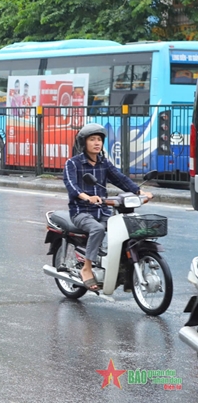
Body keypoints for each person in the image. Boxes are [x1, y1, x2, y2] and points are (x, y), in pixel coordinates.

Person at [63, 123, 153, 291]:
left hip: (102, 210)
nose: (97, 143)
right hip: (81, 212)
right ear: (83, 143)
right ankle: (87, 268)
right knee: (97, 229)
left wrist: (140, 191)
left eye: (99, 139)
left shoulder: (103, 163)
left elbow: (120, 179)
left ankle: (124, 268)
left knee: (128, 228)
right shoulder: (73, 164)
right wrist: (86, 197)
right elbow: (71, 185)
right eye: (92, 139)